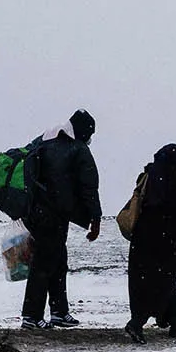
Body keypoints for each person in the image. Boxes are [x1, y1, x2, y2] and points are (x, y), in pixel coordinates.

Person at [21, 110, 102, 330]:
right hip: (55, 214)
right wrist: (95, 217)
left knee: (56, 260)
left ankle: (59, 311)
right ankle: (32, 315)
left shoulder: (43, 142)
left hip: (36, 212)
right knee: (45, 263)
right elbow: (89, 186)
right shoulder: (78, 149)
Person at [123, 143, 176, 343]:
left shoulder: (148, 176)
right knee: (164, 281)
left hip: (143, 235)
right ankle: (138, 323)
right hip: (167, 238)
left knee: (144, 281)